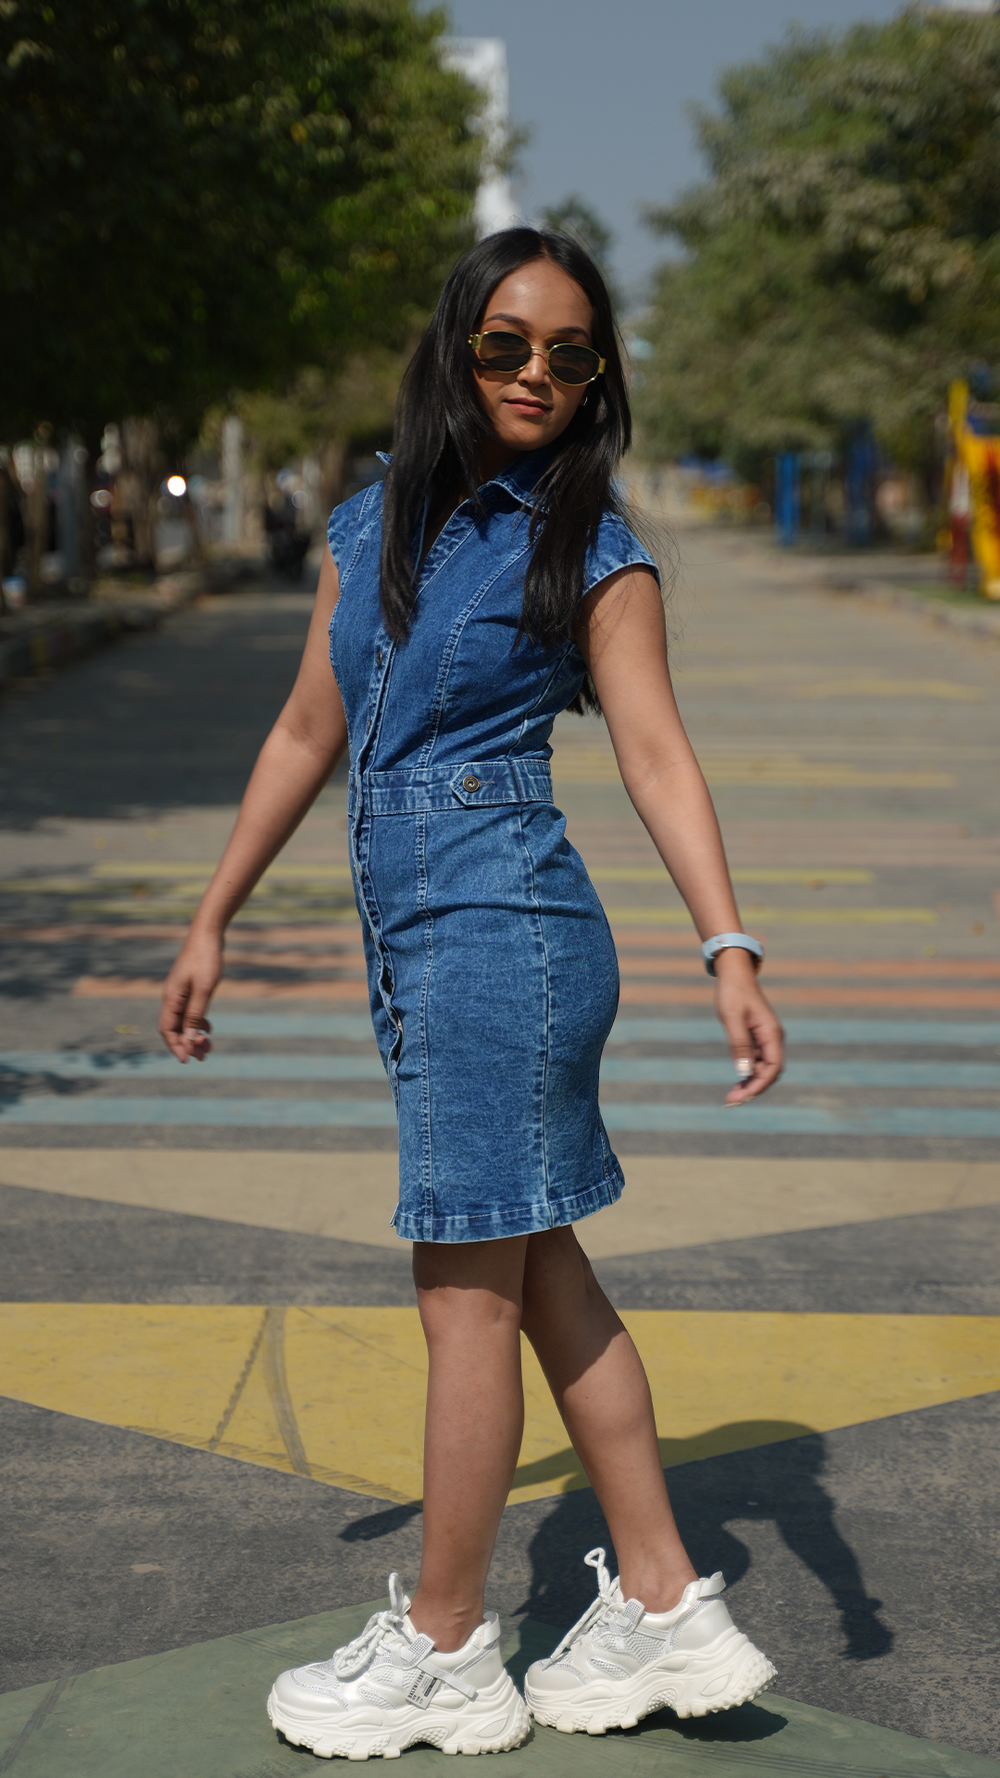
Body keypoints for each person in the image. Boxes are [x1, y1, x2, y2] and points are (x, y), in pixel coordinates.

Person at [159, 228, 784, 1762]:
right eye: (507, 344)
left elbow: (656, 753)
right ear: (457, 348)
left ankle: (445, 1646)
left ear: (598, 377)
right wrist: (212, 914)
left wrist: (729, 945)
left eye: (570, 354)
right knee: (539, 1263)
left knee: (463, 1293)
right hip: (432, 938)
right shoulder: (370, 523)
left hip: (505, 933)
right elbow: (308, 730)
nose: (535, 375)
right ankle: (662, 1595)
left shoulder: (594, 549)